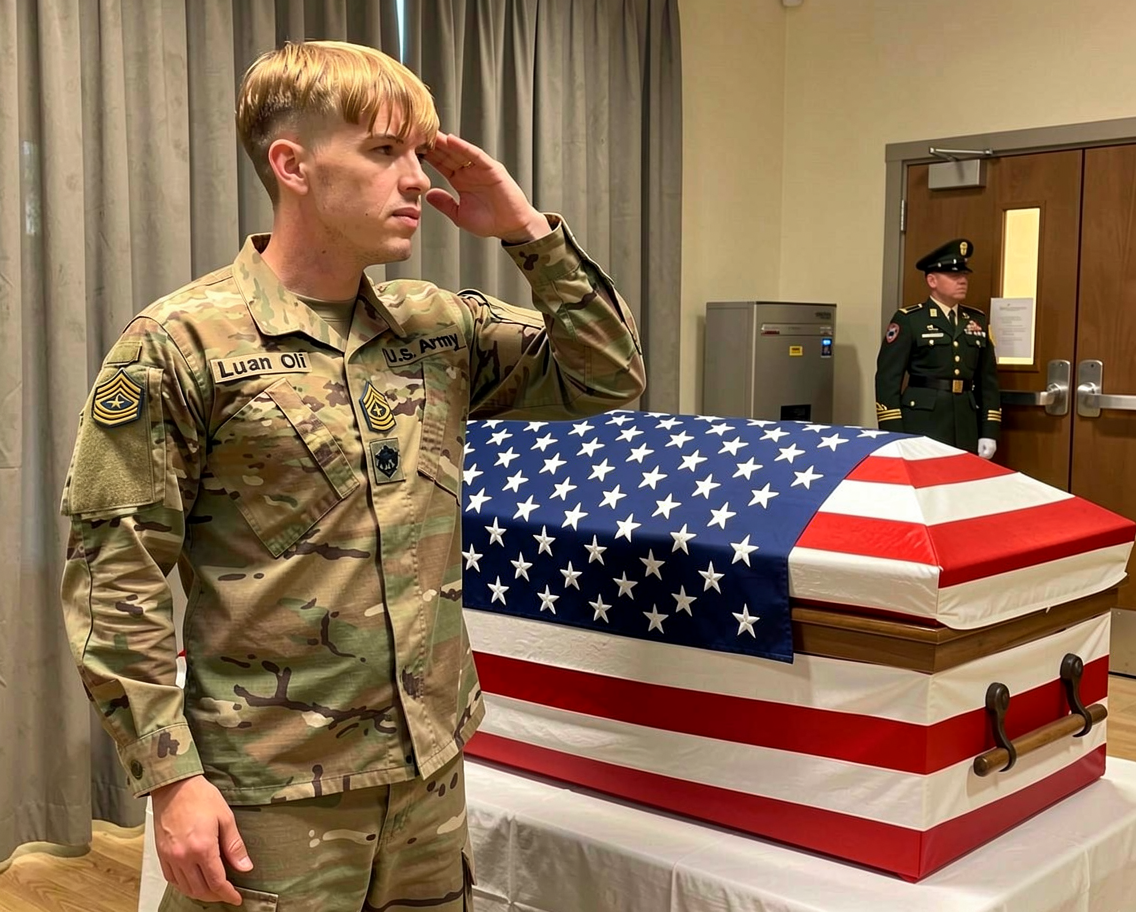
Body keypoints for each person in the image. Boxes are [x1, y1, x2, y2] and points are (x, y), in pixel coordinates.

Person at [59, 40, 644, 911]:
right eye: (383, 151)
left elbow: (608, 378)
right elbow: (116, 574)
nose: (415, 180)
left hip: (427, 775)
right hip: (274, 789)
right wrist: (170, 778)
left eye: (418, 153)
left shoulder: (436, 327)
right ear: (292, 166)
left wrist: (528, 233)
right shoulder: (181, 344)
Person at [874, 238, 1000, 457]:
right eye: (954, 276)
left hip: (966, 421)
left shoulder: (977, 319)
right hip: (922, 421)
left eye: (964, 275)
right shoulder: (910, 319)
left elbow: (987, 382)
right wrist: (893, 433)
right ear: (932, 280)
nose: (963, 281)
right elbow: (888, 380)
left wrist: (989, 431)